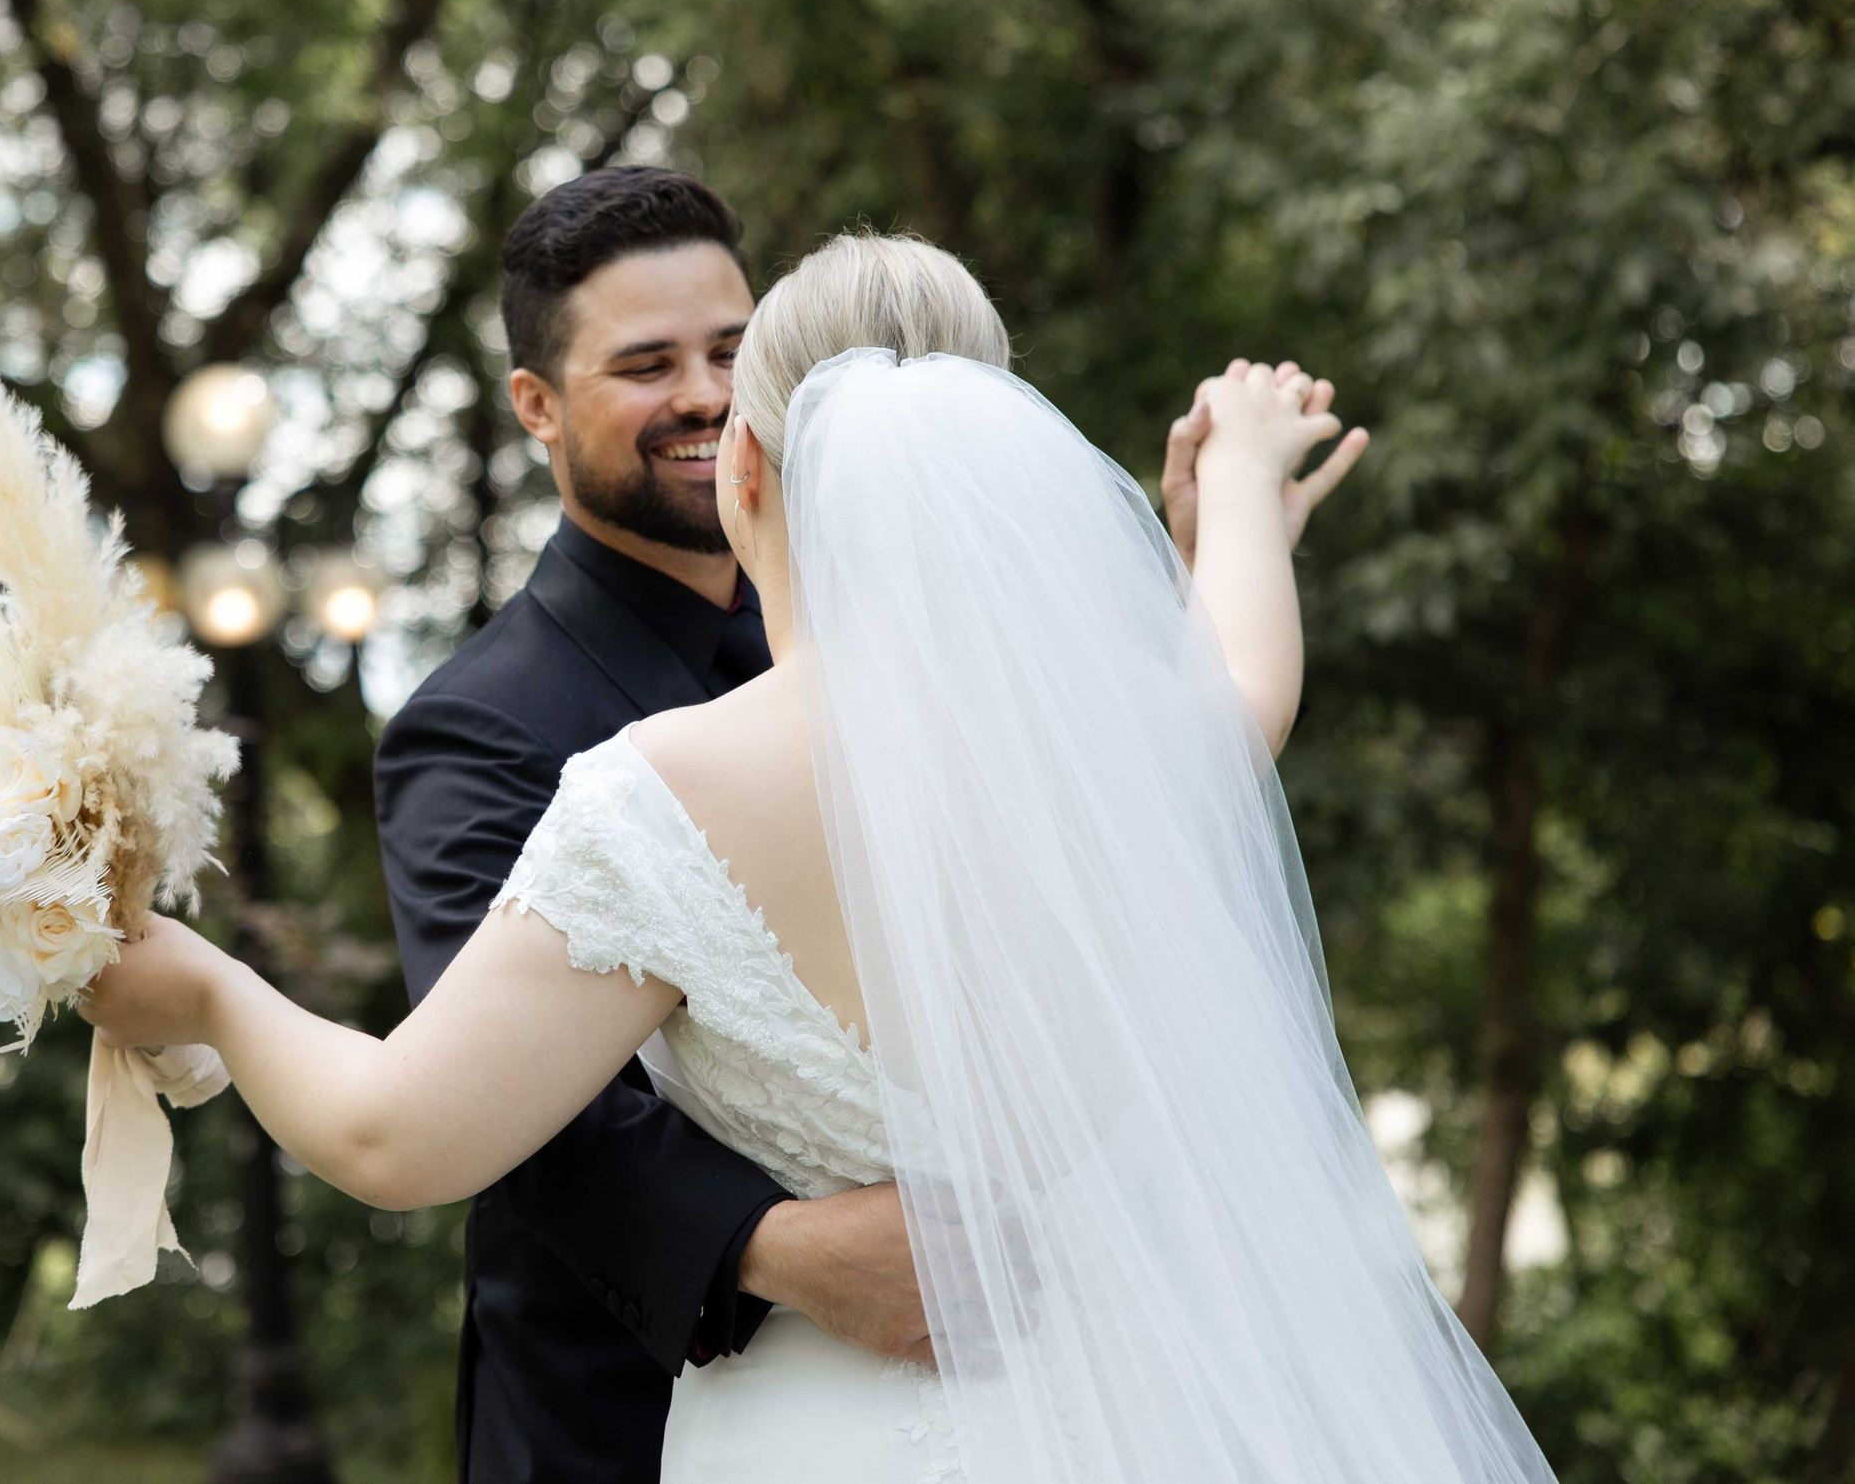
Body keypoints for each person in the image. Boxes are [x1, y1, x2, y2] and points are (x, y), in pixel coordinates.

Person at [83, 232, 1554, 1484]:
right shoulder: (1158, 742)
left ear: (750, 475)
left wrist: (205, 990)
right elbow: (1248, 658)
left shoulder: (665, 792)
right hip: (1147, 1408)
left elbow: (397, 1138)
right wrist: (1238, 478)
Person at [366, 167, 1355, 1482]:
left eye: (730, 347)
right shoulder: (480, 720)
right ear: (536, 406)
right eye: (649, 362)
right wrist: (773, 1246)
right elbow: (508, 1096)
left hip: (1029, 1376)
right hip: (629, 1406)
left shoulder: (961, 661)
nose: (709, 393)